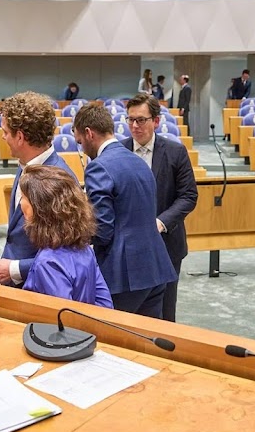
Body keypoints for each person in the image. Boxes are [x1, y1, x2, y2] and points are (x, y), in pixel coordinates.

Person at [72, 103, 177, 318]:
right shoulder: (138, 161)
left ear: (89, 133)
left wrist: (73, 237)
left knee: (118, 343)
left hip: (123, 276)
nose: (81, 148)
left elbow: (102, 230)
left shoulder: (98, 167)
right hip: (154, 268)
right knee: (148, 342)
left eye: (80, 142)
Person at [0, 91, 74, 286]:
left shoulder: (58, 180)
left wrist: (15, 269)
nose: (2, 137)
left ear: (20, 136)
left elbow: (69, 254)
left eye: (6, 132)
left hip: (42, 287)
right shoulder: (26, 165)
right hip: (18, 284)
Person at [123, 94, 198, 321]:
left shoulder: (175, 152)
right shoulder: (119, 151)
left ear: (156, 121)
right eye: (131, 120)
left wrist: (161, 222)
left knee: (165, 313)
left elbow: (188, 196)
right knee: (130, 311)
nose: (135, 126)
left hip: (166, 245)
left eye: (141, 120)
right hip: (127, 248)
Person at [17, 165, 113, 307]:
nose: (20, 203)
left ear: (39, 209)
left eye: (24, 197)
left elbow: (63, 319)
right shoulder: (84, 249)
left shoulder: (48, 262)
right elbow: (105, 305)